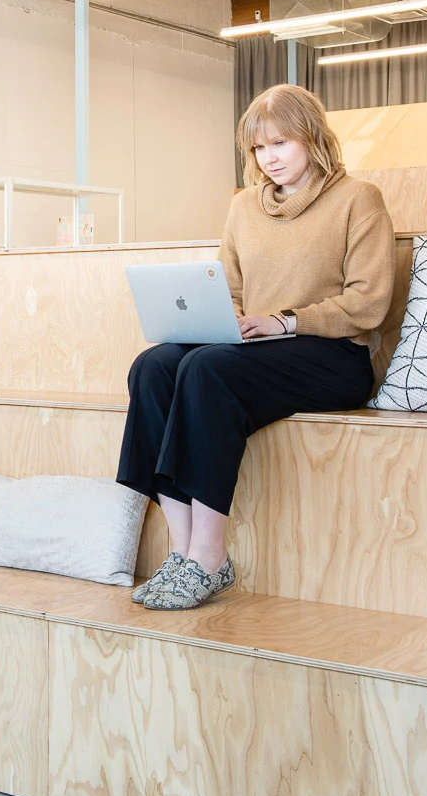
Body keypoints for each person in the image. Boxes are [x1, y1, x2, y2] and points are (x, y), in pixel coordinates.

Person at [117, 84, 395, 611]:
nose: (270, 158)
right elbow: (231, 288)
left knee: (207, 369)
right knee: (154, 366)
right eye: (259, 148)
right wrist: (228, 317)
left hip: (331, 355)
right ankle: (184, 553)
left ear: (312, 137)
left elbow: (369, 301)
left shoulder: (359, 199)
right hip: (254, 350)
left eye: (281, 143)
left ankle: (210, 556)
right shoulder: (243, 206)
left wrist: (284, 321)